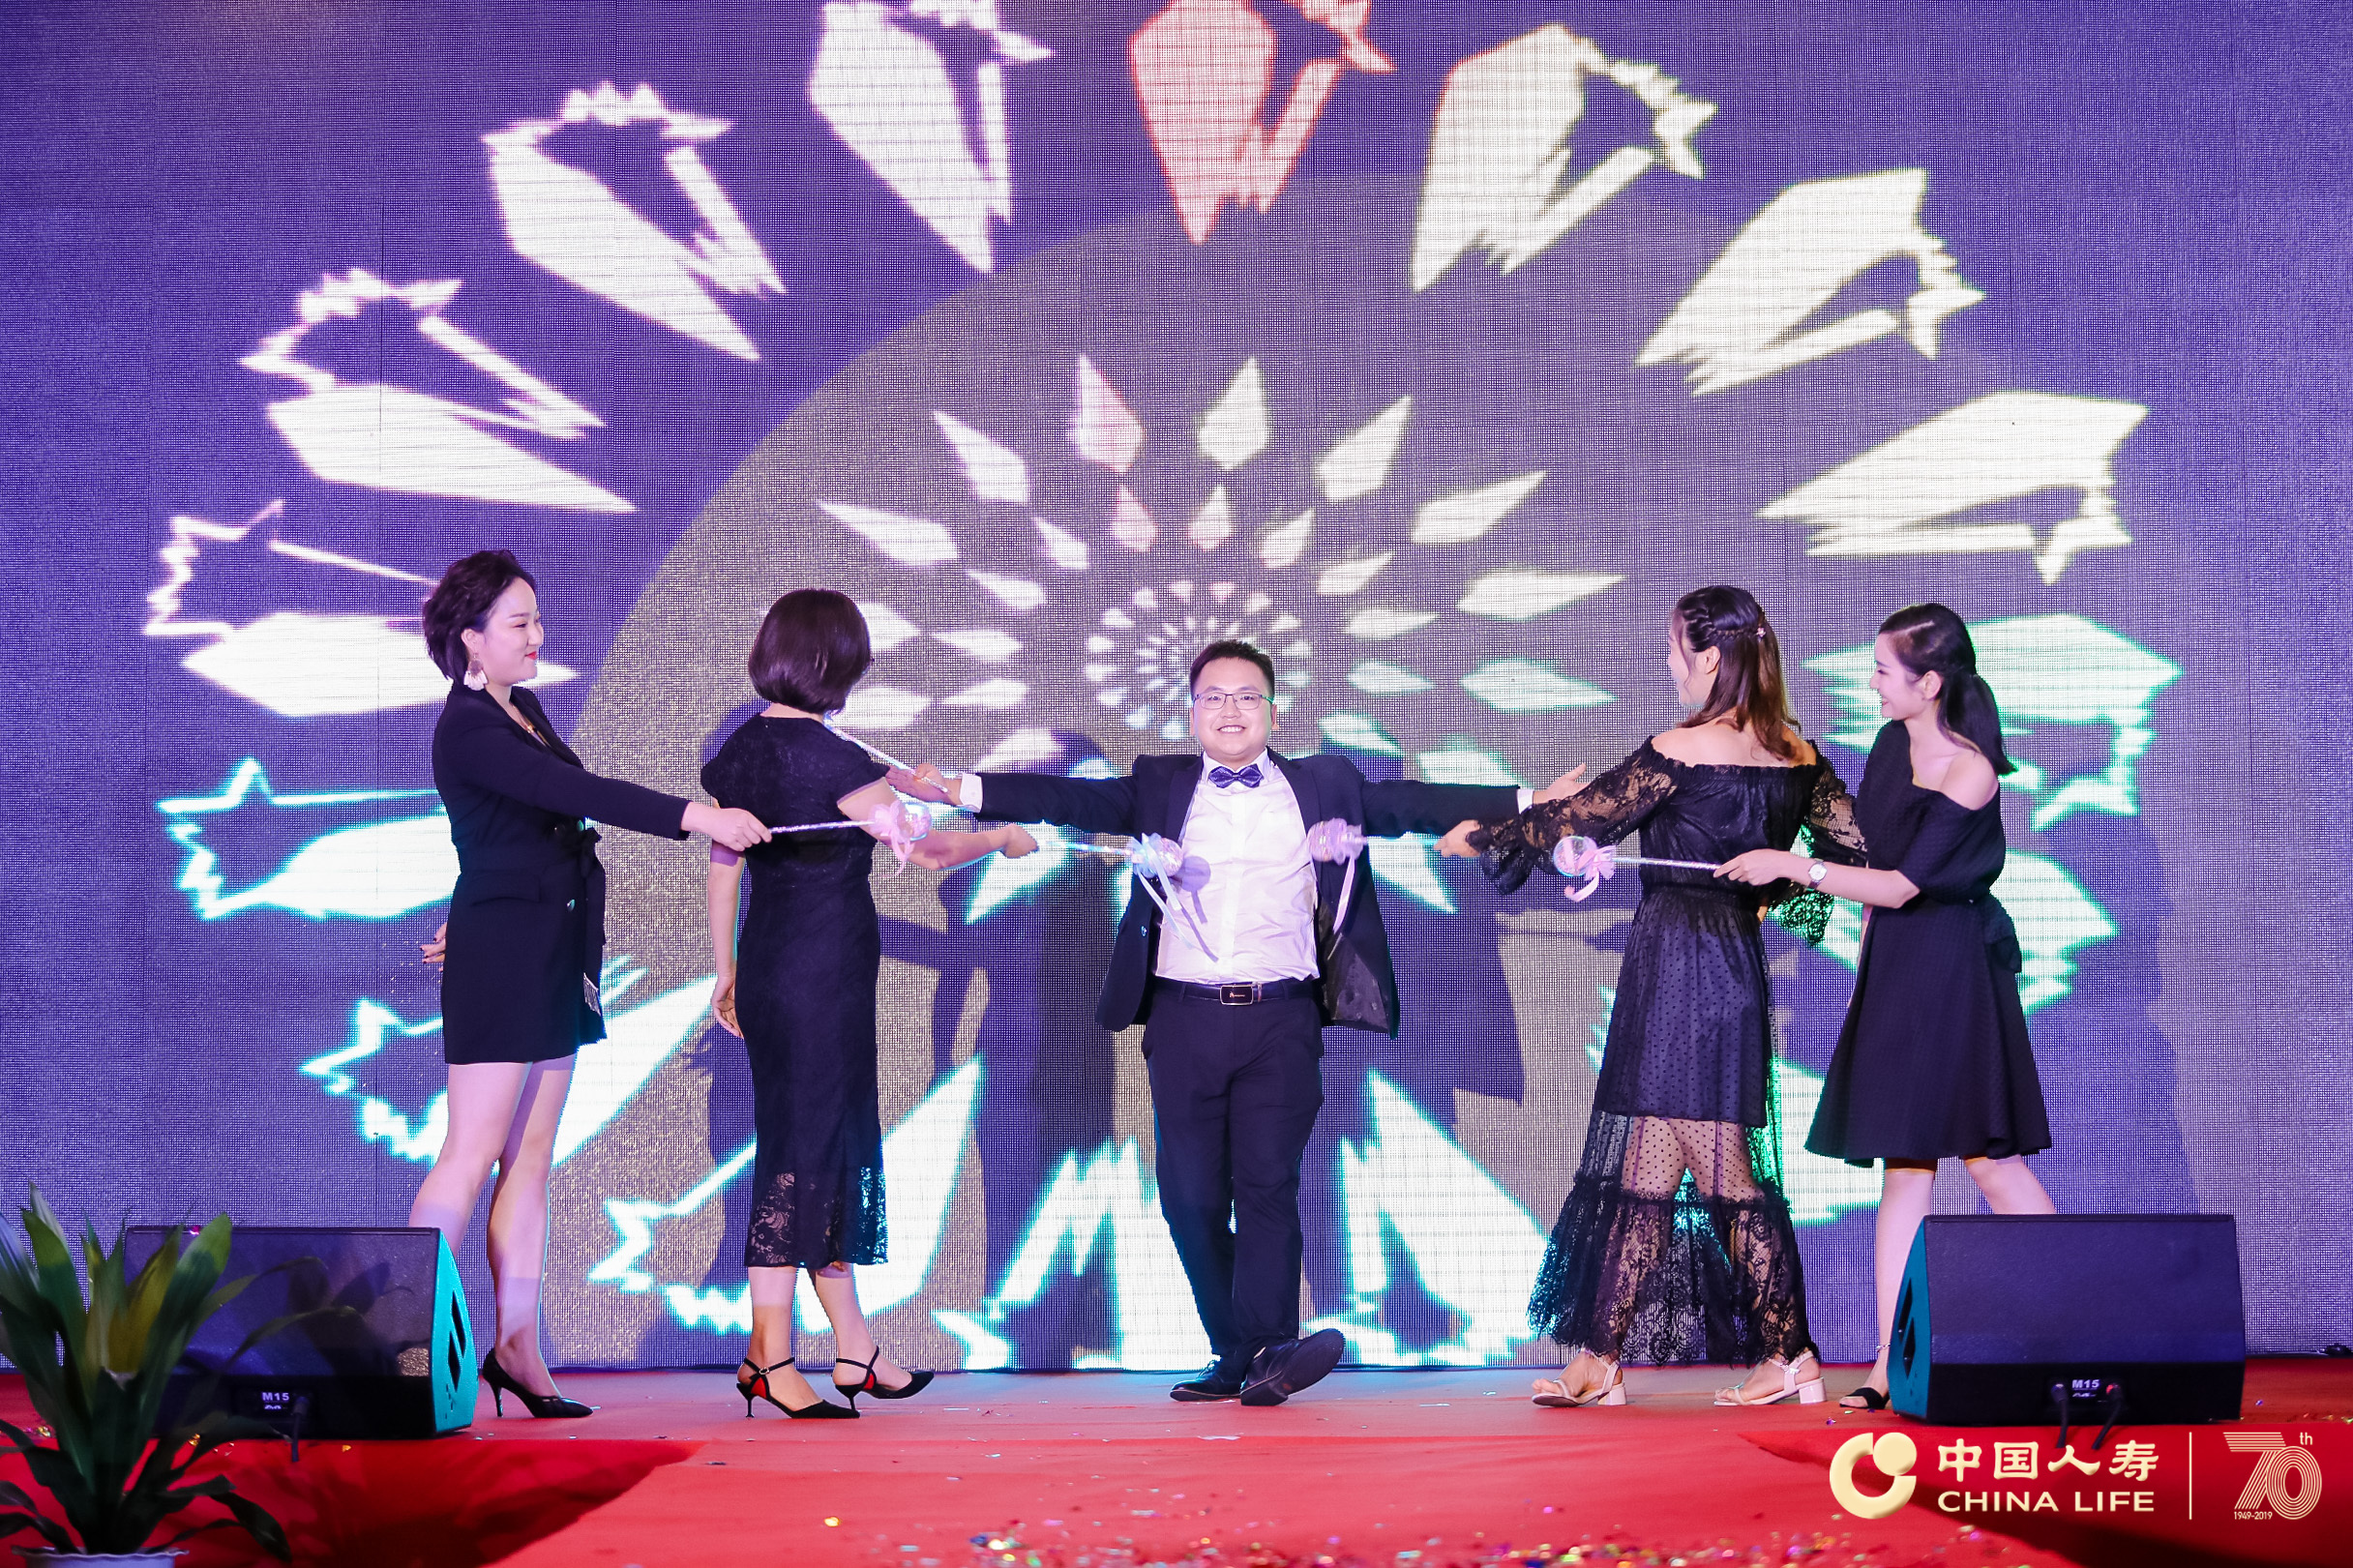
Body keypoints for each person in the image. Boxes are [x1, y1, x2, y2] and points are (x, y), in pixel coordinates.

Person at [899, 638, 1573, 1405]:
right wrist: (962, 788)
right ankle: (1239, 1349)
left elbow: (1413, 802)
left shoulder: (1324, 783)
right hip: (1184, 1019)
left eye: (1247, 696)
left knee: (1267, 1188)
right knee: (1189, 1200)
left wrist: (1530, 802)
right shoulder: (1158, 785)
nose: (1231, 709)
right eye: (1214, 696)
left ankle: (1271, 1350)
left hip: (1282, 1020)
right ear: (1192, 713)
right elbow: (1067, 800)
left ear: (1273, 712)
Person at [1438, 586, 1864, 1408]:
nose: (1670, 663)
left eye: (1675, 648)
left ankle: (1792, 1353)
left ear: (1710, 656)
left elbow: (1582, 818)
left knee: (1727, 1174)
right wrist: (1774, 881)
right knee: (1645, 1169)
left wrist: (1484, 834)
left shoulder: (1680, 748)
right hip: (1726, 964)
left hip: (1679, 965)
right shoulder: (1798, 756)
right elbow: (1853, 849)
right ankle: (1601, 1357)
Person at [411, 549, 770, 1419]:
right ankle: (404, 1343)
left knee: (530, 1161)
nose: (537, 635)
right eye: (519, 623)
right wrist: (700, 816)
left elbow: (523, 830)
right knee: (470, 1153)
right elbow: (571, 790)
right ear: (471, 638)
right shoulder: (469, 726)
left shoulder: (521, 708)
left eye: (536, 618)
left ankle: (518, 1349)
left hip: (551, 948)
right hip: (503, 955)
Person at [703, 589, 1037, 1418]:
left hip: (773, 963)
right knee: (802, 1154)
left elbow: (724, 864)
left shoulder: (743, 749)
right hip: (821, 974)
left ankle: (855, 1348)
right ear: (831, 663)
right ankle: (771, 1356)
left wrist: (725, 969)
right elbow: (927, 851)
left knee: (822, 1146)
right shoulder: (827, 761)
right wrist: (1001, 837)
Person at [1716, 602, 2053, 1410]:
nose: (1870, 682)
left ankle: (2076, 1324)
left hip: (1955, 971)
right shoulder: (1889, 743)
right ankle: (1890, 1363)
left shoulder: (1971, 767)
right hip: (1898, 967)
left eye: (1882, 669)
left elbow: (1903, 885)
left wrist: (1790, 866)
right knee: (1903, 1169)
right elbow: (1871, 863)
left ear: (1929, 682)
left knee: (1990, 1162)